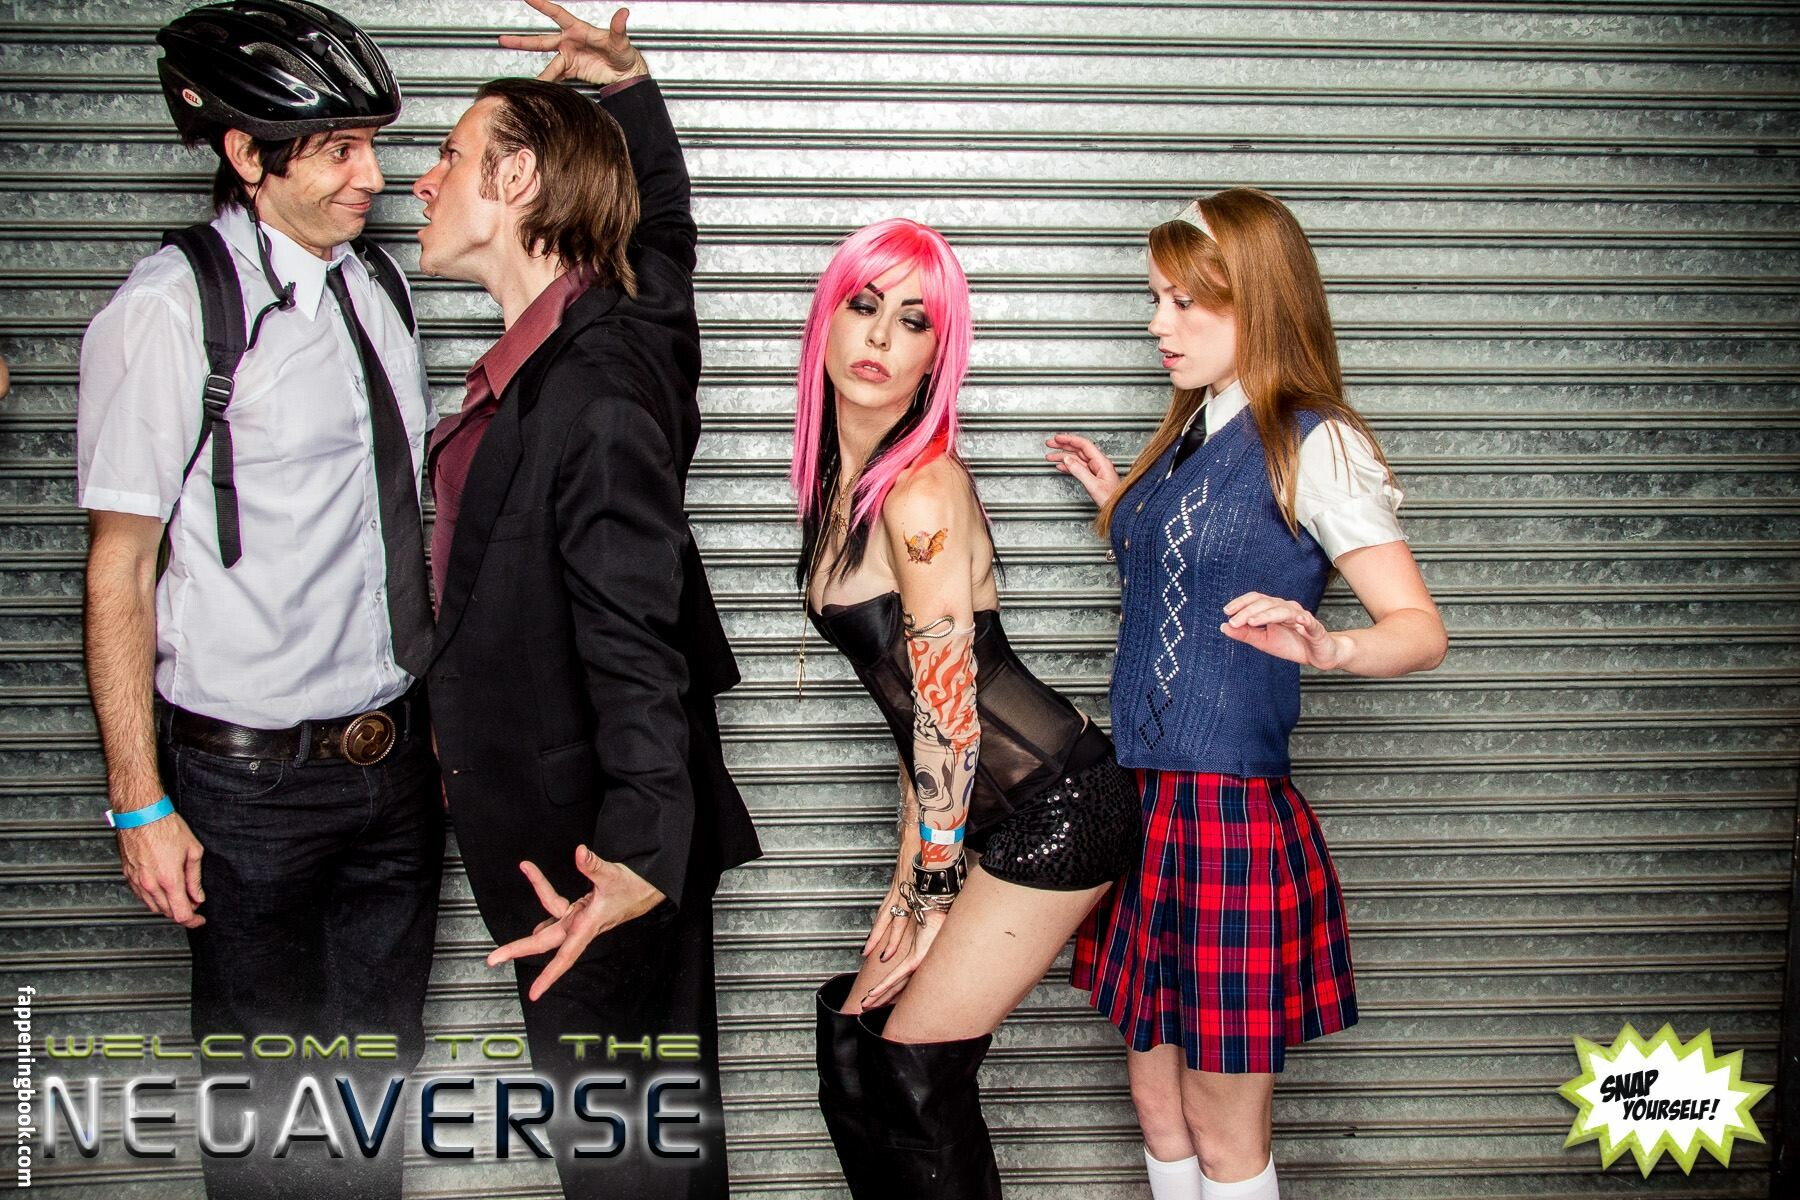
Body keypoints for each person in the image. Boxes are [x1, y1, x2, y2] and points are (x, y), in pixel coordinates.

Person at [77, 3, 438, 1197]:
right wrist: (139, 801)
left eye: (371, 146)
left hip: (394, 773)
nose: (370, 177)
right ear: (246, 153)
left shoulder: (379, 287)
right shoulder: (170, 309)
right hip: (248, 793)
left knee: (372, 1109)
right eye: (338, 149)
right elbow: (120, 568)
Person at [415, 4, 759, 1196]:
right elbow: (663, 232)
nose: (422, 182)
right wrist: (627, 89)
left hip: (597, 857)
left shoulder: (597, 390)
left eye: (449, 156)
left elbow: (637, 641)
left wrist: (637, 858)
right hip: (576, 838)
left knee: (629, 1170)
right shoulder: (622, 321)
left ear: (515, 178)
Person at [1045, 189, 1449, 1200]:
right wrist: (1127, 507)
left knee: (1226, 1131)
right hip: (1141, 803)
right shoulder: (1190, 434)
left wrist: (1331, 645)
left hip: (1225, 816)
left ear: (1259, 300)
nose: (1157, 325)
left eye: (1185, 302)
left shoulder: (1316, 441)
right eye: (1154, 299)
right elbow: (1198, 576)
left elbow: (1420, 629)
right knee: (1155, 1104)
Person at [793, 218, 1144, 1197]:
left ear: (936, 356)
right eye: (864, 306)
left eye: (914, 321)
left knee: (911, 1075)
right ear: (827, 320)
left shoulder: (919, 493)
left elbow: (948, 710)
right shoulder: (840, 489)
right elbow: (915, 723)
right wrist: (906, 880)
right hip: (973, 814)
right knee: (855, 1049)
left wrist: (933, 889)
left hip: (1059, 807)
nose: (880, 337)